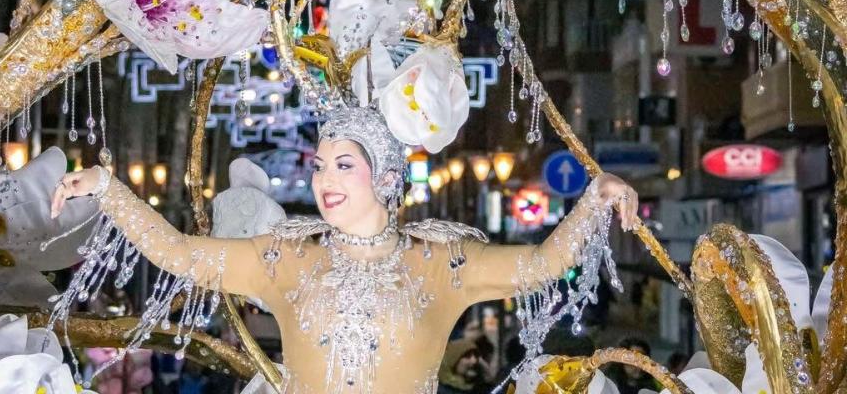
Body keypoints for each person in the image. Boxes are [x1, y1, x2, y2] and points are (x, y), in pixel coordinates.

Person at [50, 107, 640, 394]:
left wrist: (595, 201)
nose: (325, 179)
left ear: (384, 178)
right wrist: (108, 190)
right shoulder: (285, 257)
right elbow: (179, 252)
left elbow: (542, 265)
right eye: (319, 165)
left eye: (344, 165)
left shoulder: (442, 263)